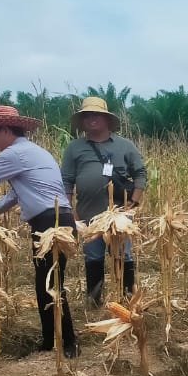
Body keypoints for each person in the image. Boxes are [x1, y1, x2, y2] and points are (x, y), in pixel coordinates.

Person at [0, 106, 79, 357]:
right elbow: (11, 198)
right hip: (57, 220)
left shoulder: (16, 154)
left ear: (6, 130)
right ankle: (52, 340)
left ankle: (67, 343)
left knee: (50, 283)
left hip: (51, 223)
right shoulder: (32, 152)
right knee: (47, 283)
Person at [61, 96, 148, 306]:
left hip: (119, 216)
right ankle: (94, 300)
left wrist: (134, 202)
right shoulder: (74, 148)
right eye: (87, 115)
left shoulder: (125, 146)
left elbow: (140, 173)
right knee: (93, 256)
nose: (92, 119)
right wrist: (69, 209)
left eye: (97, 115)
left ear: (106, 119)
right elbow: (66, 180)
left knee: (123, 255)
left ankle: (127, 298)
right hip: (88, 215)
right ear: (82, 121)